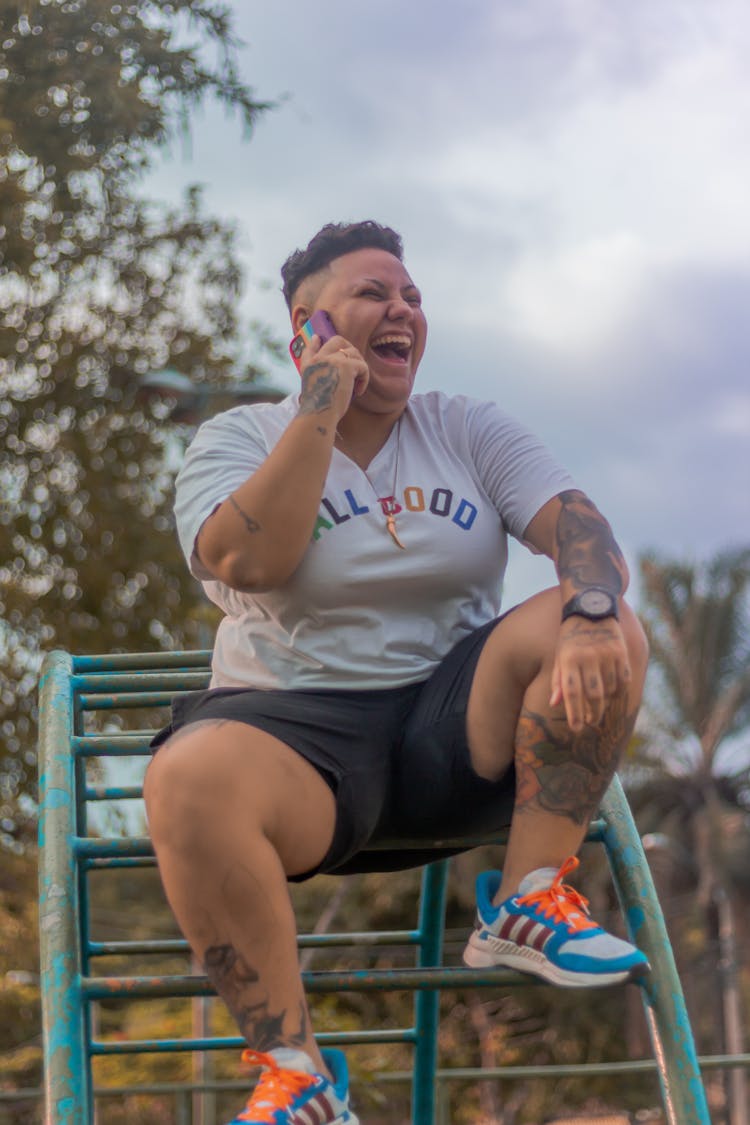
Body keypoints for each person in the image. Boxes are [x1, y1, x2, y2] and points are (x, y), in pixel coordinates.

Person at [145, 220, 650, 1125]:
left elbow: (581, 528)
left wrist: (589, 610)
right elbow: (244, 561)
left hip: (453, 720)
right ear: (307, 324)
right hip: (293, 735)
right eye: (375, 293)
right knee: (185, 774)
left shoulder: (465, 426)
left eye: (411, 296)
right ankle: (295, 1068)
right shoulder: (242, 435)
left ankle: (531, 899)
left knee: (602, 618)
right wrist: (318, 414)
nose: (402, 309)